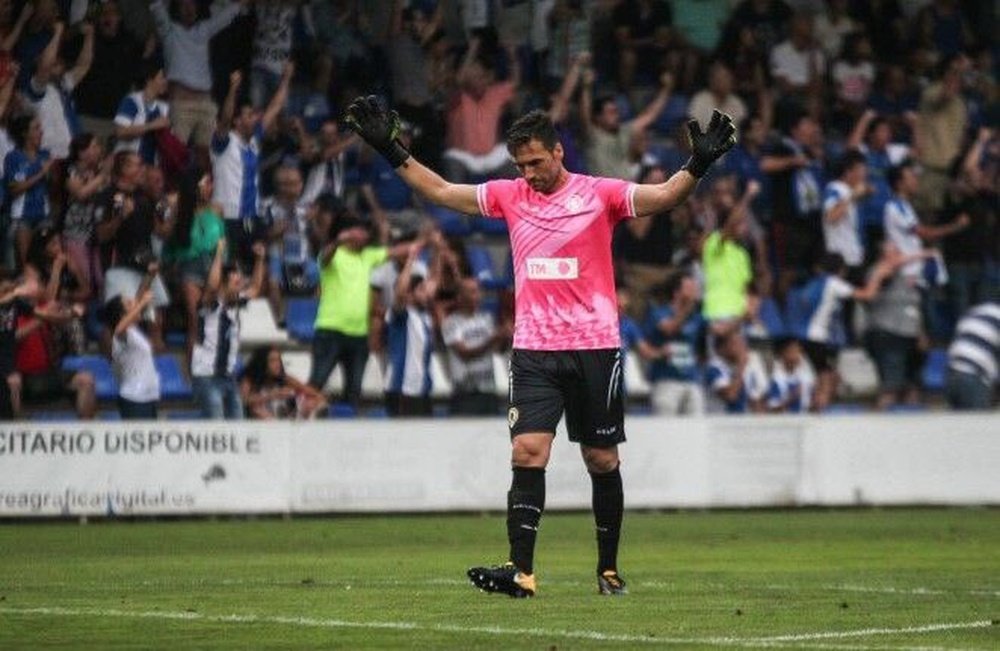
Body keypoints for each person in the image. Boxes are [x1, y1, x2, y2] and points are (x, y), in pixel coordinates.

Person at [343, 95, 735, 597]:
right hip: (534, 349)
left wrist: (697, 164)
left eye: (534, 162)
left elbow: (661, 198)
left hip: (594, 346)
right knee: (528, 451)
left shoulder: (600, 194)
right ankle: (521, 572)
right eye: (520, 165)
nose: (527, 174)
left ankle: (608, 569)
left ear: (557, 153)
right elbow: (441, 189)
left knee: (601, 460)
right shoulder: (510, 196)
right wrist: (390, 149)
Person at [190, 239, 265, 420]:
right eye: (235, 279)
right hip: (207, 375)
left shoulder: (235, 303)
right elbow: (212, 286)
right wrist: (219, 254)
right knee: (217, 426)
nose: (240, 282)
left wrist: (260, 260)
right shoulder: (210, 305)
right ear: (224, 282)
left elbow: (255, 288)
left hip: (228, 376)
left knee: (237, 425)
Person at [442, 276, 506, 416]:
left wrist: (506, 337)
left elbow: (498, 350)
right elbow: (464, 354)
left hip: (488, 391)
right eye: (472, 292)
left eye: (478, 291)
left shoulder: (486, 319)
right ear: (460, 297)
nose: (478, 296)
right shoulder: (451, 323)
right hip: (465, 394)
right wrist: (492, 339)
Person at [645, 271, 706, 416]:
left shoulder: (697, 317)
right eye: (689, 288)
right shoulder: (659, 313)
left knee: (696, 429)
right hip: (666, 380)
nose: (694, 292)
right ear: (676, 292)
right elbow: (669, 329)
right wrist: (686, 310)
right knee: (665, 431)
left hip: (692, 381)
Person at [104, 264, 161, 419]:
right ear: (122, 314)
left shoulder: (133, 330)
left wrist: (149, 276)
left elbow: (139, 296)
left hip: (148, 397)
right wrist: (142, 303)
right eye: (128, 304)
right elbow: (119, 329)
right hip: (134, 399)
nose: (133, 303)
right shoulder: (122, 334)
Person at [240, 345, 327, 420]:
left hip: (284, 415)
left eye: (278, 360)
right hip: (260, 420)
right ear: (262, 363)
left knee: (312, 401)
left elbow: (314, 394)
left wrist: (305, 403)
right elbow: (244, 401)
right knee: (256, 407)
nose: (277, 364)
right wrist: (272, 395)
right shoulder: (249, 379)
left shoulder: (285, 378)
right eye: (272, 361)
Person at [944, 301, 998, 411]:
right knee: (978, 425)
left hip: (952, 374)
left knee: (957, 426)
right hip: (974, 377)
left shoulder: (975, 311)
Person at [766, 337, 815, 413]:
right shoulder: (776, 379)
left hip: (804, 422)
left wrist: (817, 403)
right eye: (792, 351)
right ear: (783, 354)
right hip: (783, 423)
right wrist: (791, 398)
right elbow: (772, 410)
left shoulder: (806, 378)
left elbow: (810, 406)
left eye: (798, 351)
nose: (796, 355)